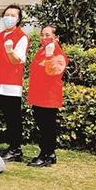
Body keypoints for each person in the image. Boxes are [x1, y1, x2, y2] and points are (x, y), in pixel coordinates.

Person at [27, 25, 68, 167]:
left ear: (56, 37)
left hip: (49, 96)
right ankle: (46, 153)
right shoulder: (41, 52)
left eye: (47, 35)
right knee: (41, 125)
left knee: (47, 126)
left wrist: (50, 55)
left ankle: (48, 154)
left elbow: (53, 71)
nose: (44, 38)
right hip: (38, 94)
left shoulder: (58, 54)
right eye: (42, 35)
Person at [0, 4, 28, 161]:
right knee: (7, 117)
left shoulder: (21, 36)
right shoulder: (1, 35)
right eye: (7, 14)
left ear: (18, 19)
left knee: (14, 117)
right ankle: (11, 146)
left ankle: (16, 149)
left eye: (13, 15)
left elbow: (16, 60)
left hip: (12, 84)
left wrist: (10, 51)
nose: (9, 18)